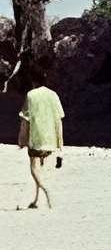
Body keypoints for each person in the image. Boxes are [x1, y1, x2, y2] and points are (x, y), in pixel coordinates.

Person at [17, 79, 64, 210]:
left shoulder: (31, 95)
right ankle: (37, 200)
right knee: (41, 171)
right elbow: (59, 121)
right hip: (51, 140)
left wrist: (22, 139)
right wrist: (61, 146)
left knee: (34, 170)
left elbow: (25, 121)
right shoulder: (53, 95)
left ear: (33, 82)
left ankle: (46, 190)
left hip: (36, 139)